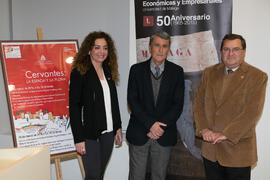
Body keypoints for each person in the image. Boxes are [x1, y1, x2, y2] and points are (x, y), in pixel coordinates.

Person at [194, 34, 268, 180]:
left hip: (238, 152)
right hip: (211, 151)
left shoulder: (257, 76)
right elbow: (198, 104)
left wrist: (225, 134)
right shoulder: (209, 73)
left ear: (244, 52)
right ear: (221, 52)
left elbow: (252, 113)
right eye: (226, 49)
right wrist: (203, 129)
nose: (230, 53)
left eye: (235, 49)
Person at [126, 30, 185, 180]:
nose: (160, 50)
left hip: (163, 134)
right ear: (150, 47)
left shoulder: (177, 72)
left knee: (159, 176)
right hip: (140, 133)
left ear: (168, 49)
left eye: (164, 46)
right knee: (136, 176)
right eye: (157, 45)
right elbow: (133, 101)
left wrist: (159, 127)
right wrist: (151, 124)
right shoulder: (136, 70)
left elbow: (177, 105)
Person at [69, 31, 122, 180]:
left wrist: (117, 126)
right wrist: (78, 138)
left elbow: (113, 101)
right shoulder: (80, 72)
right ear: (89, 49)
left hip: (108, 131)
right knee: (92, 175)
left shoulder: (108, 70)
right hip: (89, 134)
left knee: (99, 174)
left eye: (105, 48)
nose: (101, 52)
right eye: (97, 47)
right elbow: (74, 106)